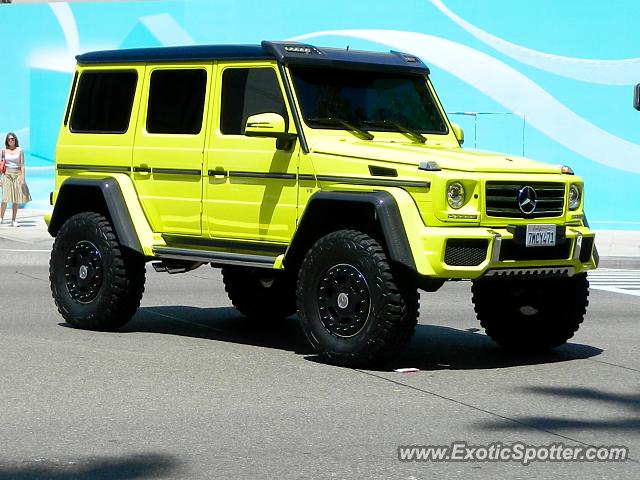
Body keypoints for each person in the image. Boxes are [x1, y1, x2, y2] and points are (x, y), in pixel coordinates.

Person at [1, 132, 31, 226]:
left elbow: (22, 165)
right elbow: (2, 165)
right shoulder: (4, 150)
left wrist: (23, 177)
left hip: (17, 174)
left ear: (15, 140)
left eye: (12, 139)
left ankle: (13, 220)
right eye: (9, 139)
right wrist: (1, 178)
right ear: (7, 141)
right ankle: (1, 217)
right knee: (5, 198)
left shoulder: (20, 150)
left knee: (16, 199)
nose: (11, 140)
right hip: (7, 174)